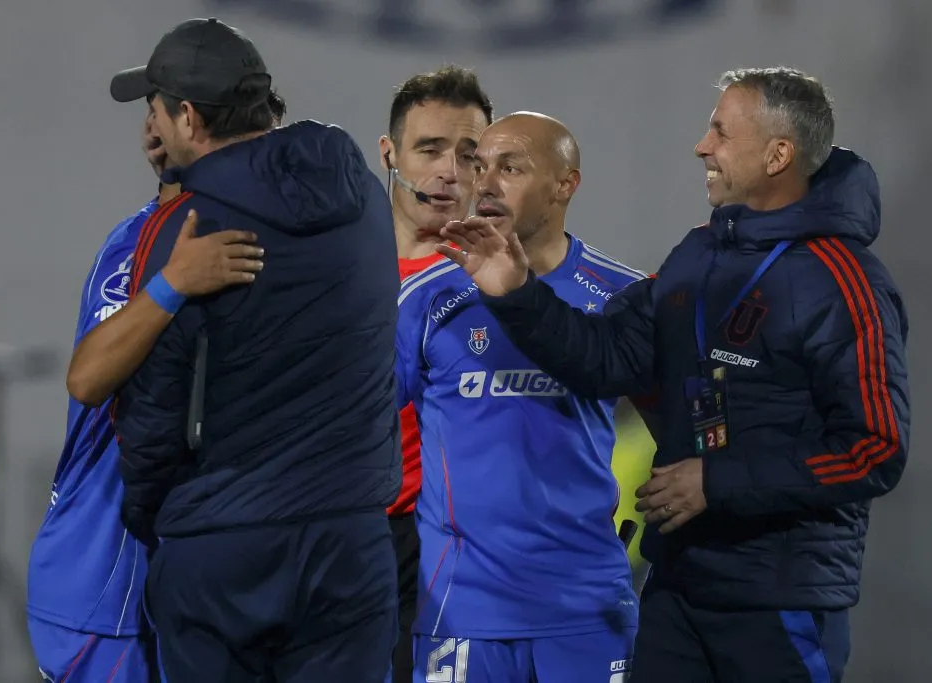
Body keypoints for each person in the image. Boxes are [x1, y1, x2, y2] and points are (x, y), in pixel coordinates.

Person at [440, 67, 910, 683]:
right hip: (680, 586)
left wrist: (718, 481)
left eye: (720, 130)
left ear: (778, 154)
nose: (701, 146)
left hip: (779, 599)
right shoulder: (700, 253)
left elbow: (874, 448)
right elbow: (607, 357)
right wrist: (517, 291)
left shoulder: (844, 282)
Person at [109, 17, 401, 682]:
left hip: (221, 547)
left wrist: (158, 518)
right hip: (350, 541)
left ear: (186, 116)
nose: (149, 125)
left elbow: (152, 411)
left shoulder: (187, 226)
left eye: (154, 107)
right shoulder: (358, 189)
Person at [26, 96, 277, 681]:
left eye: (165, 109)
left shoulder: (262, 240)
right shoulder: (132, 245)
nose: (150, 123)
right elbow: (88, 379)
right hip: (104, 577)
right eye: (153, 109)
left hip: (205, 588)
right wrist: (175, 284)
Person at [397, 111, 645, 682]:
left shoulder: (623, 295)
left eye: (510, 167)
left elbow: (684, 427)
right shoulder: (425, 297)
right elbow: (353, 424)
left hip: (586, 610)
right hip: (461, 612)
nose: (484, 183)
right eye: (479, 166)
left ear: (566, 184)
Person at [378, 65, 493, 683]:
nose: (451, 171)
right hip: (338, 538)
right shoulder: (334, 273)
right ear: (389, 153)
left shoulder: (509, 284)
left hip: (449, 551)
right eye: (430, 149)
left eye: (470, 153)